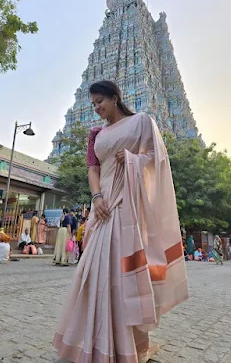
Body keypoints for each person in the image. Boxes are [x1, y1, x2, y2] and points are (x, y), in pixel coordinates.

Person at [53, 80, 188, 363]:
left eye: (100, 100)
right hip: (103, 210)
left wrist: (131, 159)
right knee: (93, 274)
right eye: (92, 104)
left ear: (116, 97)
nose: (97, 107)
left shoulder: (142, 122)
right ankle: (91, 342)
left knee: (123, 277)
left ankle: (128, 346)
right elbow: (93, 169)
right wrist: (97, 197)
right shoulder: (95, 134)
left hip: (128, 209)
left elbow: (156, 160)